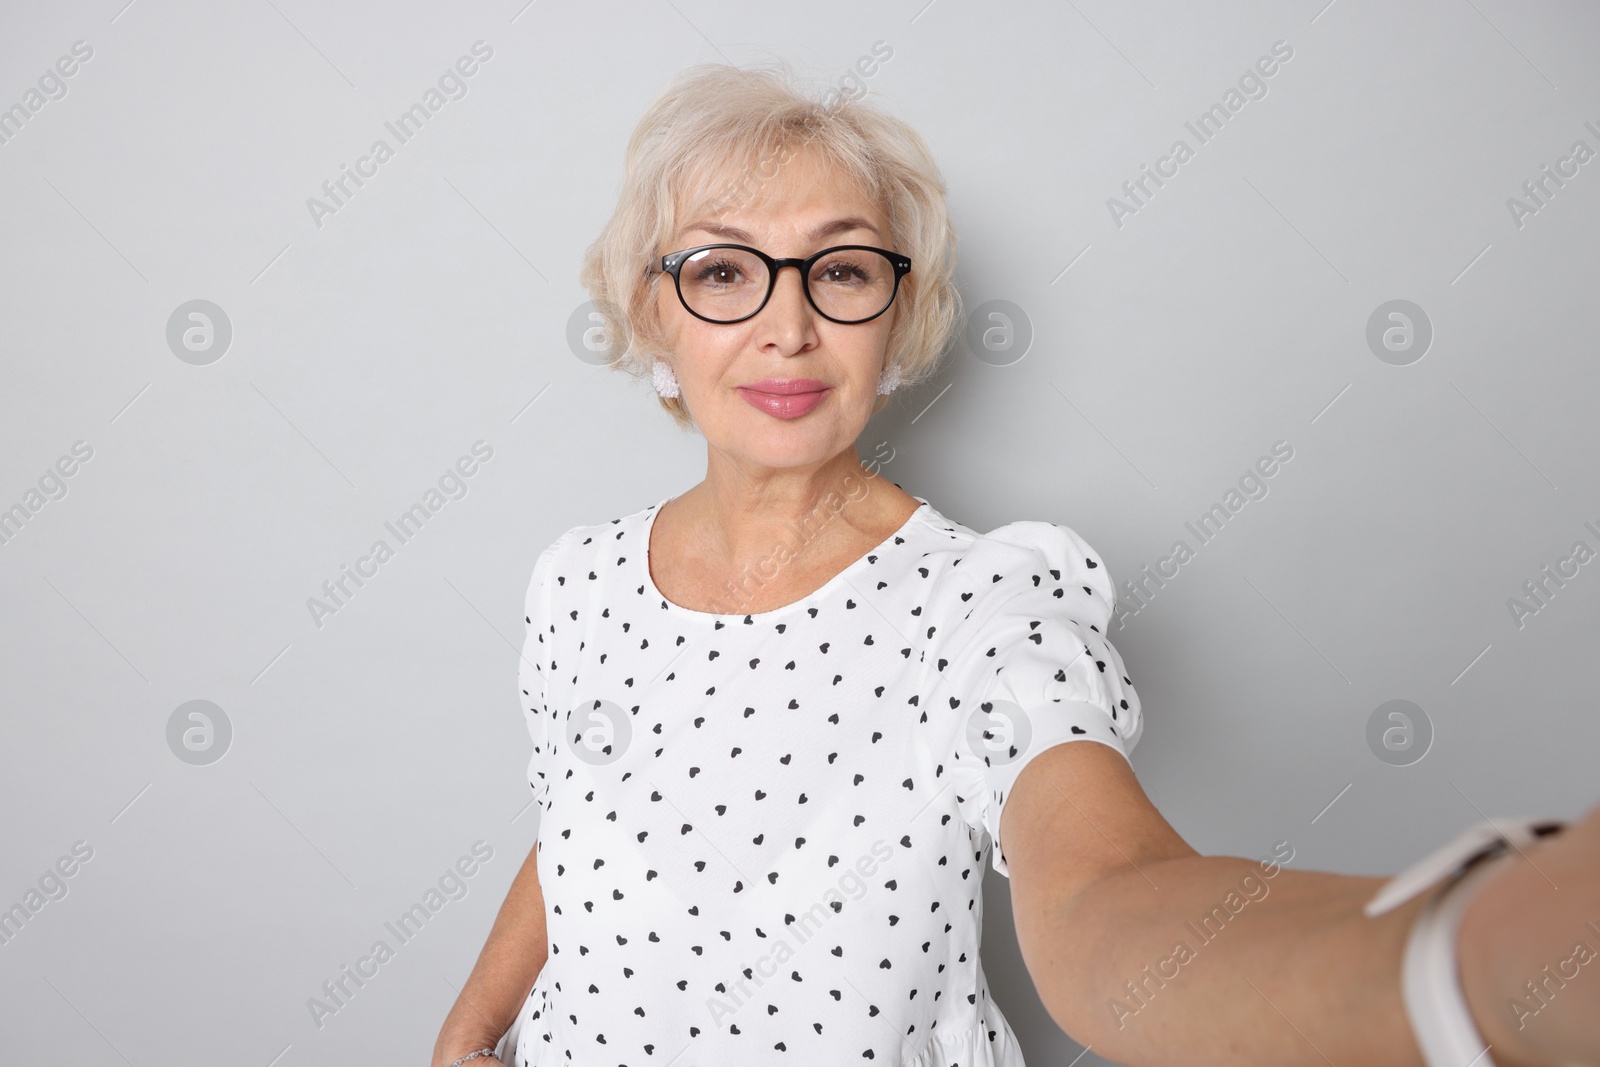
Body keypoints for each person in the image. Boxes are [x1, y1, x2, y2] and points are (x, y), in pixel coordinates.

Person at [432, 61, 1600, 1067]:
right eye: (725, 271)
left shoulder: (985, 601)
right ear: (652, 316)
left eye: (839, 270)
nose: (786, 326)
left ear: (898, 318)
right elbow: (580, 826)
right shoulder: (576, 582)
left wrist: (1473, 956)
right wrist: (471, 1028)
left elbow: (1106, 899)